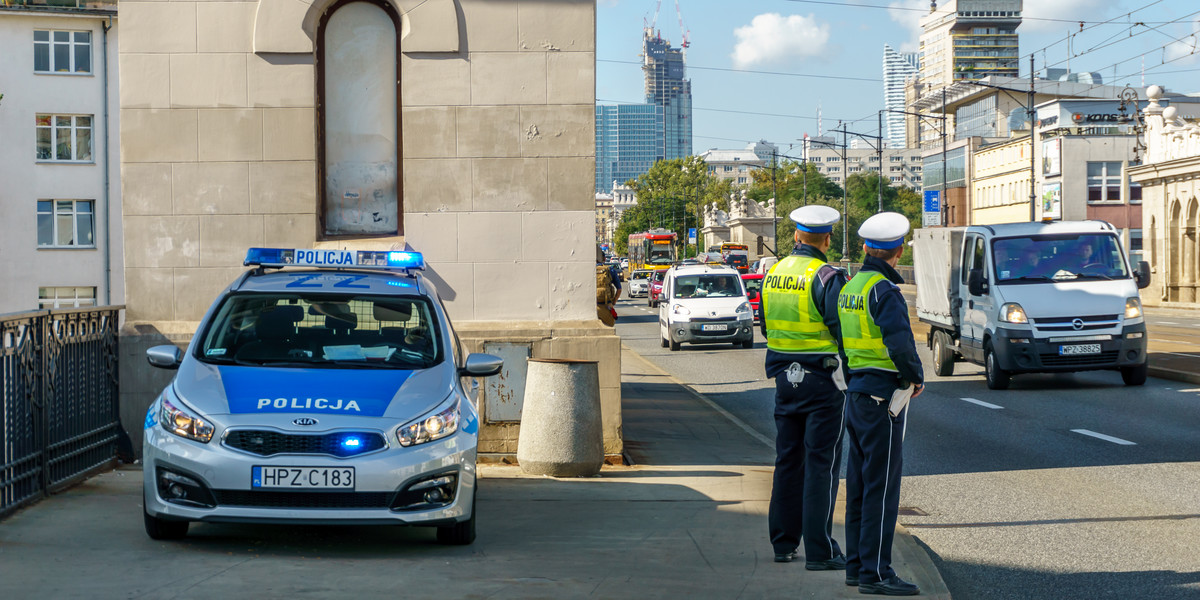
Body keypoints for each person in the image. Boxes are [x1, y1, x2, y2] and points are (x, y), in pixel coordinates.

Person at [836, 212, 924, 596]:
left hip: (856, 392)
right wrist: (916, 376)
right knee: (883, 487)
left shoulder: (851, 286)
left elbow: (843, 344)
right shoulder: (884, 291)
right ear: (899, 250)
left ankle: (857, 566)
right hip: (883, 396)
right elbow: (900, 342)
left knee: (858, 484)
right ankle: (877, 573)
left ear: (866, 248)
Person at [761, 204, 850, 571]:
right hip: (822, 380)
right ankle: (820, 550)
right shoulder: (828, 276)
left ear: (796, 235)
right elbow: (839, 328)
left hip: (785, 379)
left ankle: (783, 543)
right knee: (821, 464)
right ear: (827, 239)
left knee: (787, 461)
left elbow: (766, 329)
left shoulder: (774, 273)